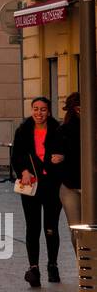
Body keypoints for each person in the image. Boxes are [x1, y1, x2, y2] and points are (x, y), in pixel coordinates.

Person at [11, 96, 63, 288]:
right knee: (32, 228)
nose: (38, 113)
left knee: (51, 228)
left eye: (42, 109)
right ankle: (34, 268)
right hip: (30, 185)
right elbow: (16, 155)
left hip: (52, 185)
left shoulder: (58, 130)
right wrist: (23, 171)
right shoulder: (23, 131)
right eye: (35, 109)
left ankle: (52, 265)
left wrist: (62, 157)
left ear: (48, 111)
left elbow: (67, 151)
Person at [49, 91, 81, 233]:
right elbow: (55, 159)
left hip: (77, 184)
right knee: (76, 230)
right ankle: (81, 256)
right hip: (70, 186)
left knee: (79, 230)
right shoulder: (63, 130)